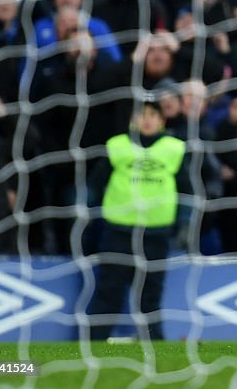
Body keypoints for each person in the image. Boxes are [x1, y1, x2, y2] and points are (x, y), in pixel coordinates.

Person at [88, 98, 188, 341]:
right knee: (109, 290)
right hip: (119, 231)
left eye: (153, 114)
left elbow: (187, 188)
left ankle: (155, 343)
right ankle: (95, 342)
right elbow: (95, 183)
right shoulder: (117, 146)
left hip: (156, 233)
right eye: (141, 114)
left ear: (162, 120)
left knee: (150, 293)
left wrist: (183, 223)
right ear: (132, 119)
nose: (147, 119)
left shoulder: (174, 149)